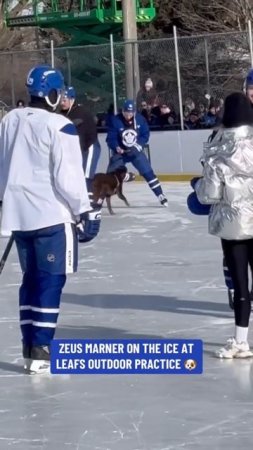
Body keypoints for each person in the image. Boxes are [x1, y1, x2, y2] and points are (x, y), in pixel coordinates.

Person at [0, 65, 101, 374]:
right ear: (54, 94)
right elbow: (68, 177)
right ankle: (42, 347)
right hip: (51, 215)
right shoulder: (60, 125)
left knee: (30, 278)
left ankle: (30, 345)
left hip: (17, 215)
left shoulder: (9, 120)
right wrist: (84, 210)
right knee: (51, 279)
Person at [194, 92, 253, 359]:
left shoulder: (218, 151)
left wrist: (196, 184)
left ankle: (241, 341)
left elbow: (208, 195)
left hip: (233, 227)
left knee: (240, 284)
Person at [106, 99, 168, 206]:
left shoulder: (140, 119)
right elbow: (111, 138)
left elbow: (145, 134)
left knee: (148, 173)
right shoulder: (115, 120)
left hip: (136, 152)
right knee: (110, 175)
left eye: (131, 112)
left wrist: (138, 146)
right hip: (121, 153)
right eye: (127, 112)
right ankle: (103, 196)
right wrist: (116, 147)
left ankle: (160, 195)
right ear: (123, 111)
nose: (129, 115)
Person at [60, 86, 101, 201]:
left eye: (65, 100)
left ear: (72, 100)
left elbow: (86, 136)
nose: (62, 103)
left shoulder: (81, 113)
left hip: (90, 147)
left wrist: (81, 150)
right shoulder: (61, 114)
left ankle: (89, 201)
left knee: (85, 175)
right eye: (61, 100)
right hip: (78, 149)